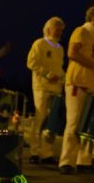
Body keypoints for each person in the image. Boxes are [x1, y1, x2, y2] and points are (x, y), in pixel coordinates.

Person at [58, 5, 94, 175]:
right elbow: (72, 53)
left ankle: (84, 160)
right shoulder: (82, 31)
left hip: (92, 85)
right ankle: (66, 161)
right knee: (73, 123)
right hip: (78, 83)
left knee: (87, 125)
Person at [26, 17, 65, 165]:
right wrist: (47, 74)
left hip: (56, 89)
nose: (60, 31)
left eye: (61, 29)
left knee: (52, 122)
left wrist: (62, 78)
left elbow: (60, 68)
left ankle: (47, 152)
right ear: (49, 29)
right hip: (41, 87)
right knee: (40, 119)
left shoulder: (60, 48)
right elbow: (31, 62)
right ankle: (34, 152)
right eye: (57, 28)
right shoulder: (39, 43)